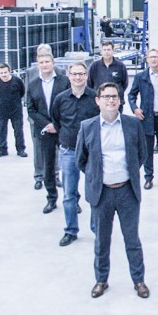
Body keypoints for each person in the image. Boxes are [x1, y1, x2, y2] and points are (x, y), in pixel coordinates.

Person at [76, 82, 149, 299]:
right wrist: (98, 177)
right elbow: (82, 160)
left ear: (120, 100)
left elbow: (141, 155)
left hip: (127, 192)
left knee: (132, 240)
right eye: (106, 97)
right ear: (97, 101)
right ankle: (101, 280)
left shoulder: (132, 124)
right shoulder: (87, 127)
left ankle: (138, 280)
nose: (111, 100)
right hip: (102, 193)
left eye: (114, 96)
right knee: (102, 240)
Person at [50, 62, 100, 247]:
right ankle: (71, 230)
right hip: (68, 151)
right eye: (74, 74)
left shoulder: (95, 98)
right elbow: (56, 120)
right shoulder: (60, 99)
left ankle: (97, 229)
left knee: (95, 192)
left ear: (86, 76)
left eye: (81, 74)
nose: (78, 77)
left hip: (92, 153)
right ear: (69, 76)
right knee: (69, 194)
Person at [27, 52, 70, 214]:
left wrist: (56, 125)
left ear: (53, 63)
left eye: (47, 62)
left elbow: (68, 105)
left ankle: (72, 198)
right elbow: (31, 109)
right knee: (48, 166)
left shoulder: (64, 81)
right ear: (38, 65)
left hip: (63, 130)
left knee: (69, 166)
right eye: (41, 62)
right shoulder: (32, 85)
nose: (44, 65)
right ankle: (51, 199)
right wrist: (47, 124)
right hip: (45, 131)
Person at [128, 49, 158, 190]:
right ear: (147, 59)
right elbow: (131, 95)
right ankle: (148, 178)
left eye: (156, 57)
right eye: (151, 57)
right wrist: (135, 109)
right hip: (146, 118)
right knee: (147, 150)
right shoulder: (140, 77)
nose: (154, 59)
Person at [0, 63, 27, 158]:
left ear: (9, 71)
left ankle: (20, 149)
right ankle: (2, 149)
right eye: (1, 73)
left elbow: (22, 92)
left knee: (18, 130)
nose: (4, 75)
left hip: (16, 111)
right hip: (1, 111)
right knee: (1, 130)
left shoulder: (17, 81)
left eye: (5, 72)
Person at [87, 41, 129, 113]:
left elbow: (125, 83)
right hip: (99, 103)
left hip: (115, 102)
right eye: (104, 50)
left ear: (113, 51)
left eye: (109, 50)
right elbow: (89, 84)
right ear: (101, 52)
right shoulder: (94, 66)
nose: (106, 52)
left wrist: (116, 93)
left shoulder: (120, 66)